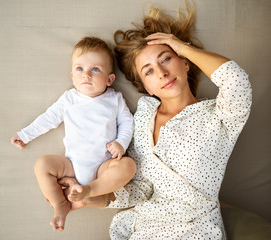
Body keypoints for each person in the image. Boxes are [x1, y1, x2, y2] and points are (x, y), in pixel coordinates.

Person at [59, 2, 252, 239]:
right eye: (148, 71)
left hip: (197, 228)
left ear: (184, 63)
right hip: (145, 227)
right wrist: (88, 198)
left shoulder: (220, 115)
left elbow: (237, 81)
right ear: (146, 87)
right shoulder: (142, 117)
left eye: (166, 59)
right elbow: (139, 189)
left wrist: (181, 46)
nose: (161, 73)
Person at [10, 37, 136, 232]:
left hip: (103, 166)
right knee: (42, 164)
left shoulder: (115, 99)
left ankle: (88, 191)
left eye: (95, 69)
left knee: (128, 165)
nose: (86, 74)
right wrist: (25, 135)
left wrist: (121, 142)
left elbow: (127, 122)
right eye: (79, 69)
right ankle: (60, 204)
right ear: (72, 75)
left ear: (110, 79)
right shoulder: (69, 99)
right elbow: (49, 118)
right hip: (71, 165)